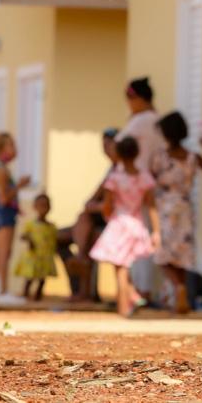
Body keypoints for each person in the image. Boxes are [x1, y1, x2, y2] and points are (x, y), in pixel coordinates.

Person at [151, 111, 202, 314]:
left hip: (164, 207)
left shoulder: (160, 157)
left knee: (163, 254)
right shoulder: (192, 157)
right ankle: (179, 298)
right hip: (185, 208)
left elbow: (149, 182)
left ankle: (178, 288)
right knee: (181, 254)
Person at [89, 136, 161, 317]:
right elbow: (151, 206)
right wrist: (156, 231)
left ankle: (123, 308)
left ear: (119, 155)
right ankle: (132, 296)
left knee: (120, 268)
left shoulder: (115, 178)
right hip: (136, 224)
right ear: (137, 153)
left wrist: (104, 213)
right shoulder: (145, 178)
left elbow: (107, 205)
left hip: (119, 223)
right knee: (124, 265)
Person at [57, 127, 118, 302]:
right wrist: (95, 206)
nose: (106, 149)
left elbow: (108, 205)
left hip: (113, 222)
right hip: (96, 219)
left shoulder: (122, 171)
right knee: (59, 236)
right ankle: (79, 282)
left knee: (87, 225)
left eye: (110, 145)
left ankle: (82, 260)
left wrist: (96, 207)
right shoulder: (110, 171)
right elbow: (92, 200)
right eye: (104, 145)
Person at [118, 77, 164, 302]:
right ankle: (147, 290)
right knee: (148, 237)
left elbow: (118, 146)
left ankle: (140, 290)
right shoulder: (157, 121)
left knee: (136, 242)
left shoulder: (140, 122)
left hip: (132, 191)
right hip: (151, 185)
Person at [0, 132, 31, 305]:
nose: (15, 149)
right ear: (2, 149)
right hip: (4, 213)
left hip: (5, 213)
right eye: (12, 145)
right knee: (4, 253)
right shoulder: (1, 171)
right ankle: (3, 291)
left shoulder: (1, 168)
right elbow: (4, 198)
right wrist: (19, 185)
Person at [14, 193, 58, 301]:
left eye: (45, 205)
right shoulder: (31, 224)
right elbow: (23, 235)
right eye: (40, 205)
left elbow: (53, 241)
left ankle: (37, 298)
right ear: (35, 207)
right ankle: (25, 296)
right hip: (33, 256)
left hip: (45, 257)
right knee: (30, 277)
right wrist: (30, 240)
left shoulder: (51, 226)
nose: (43, 208)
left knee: (42, 279)